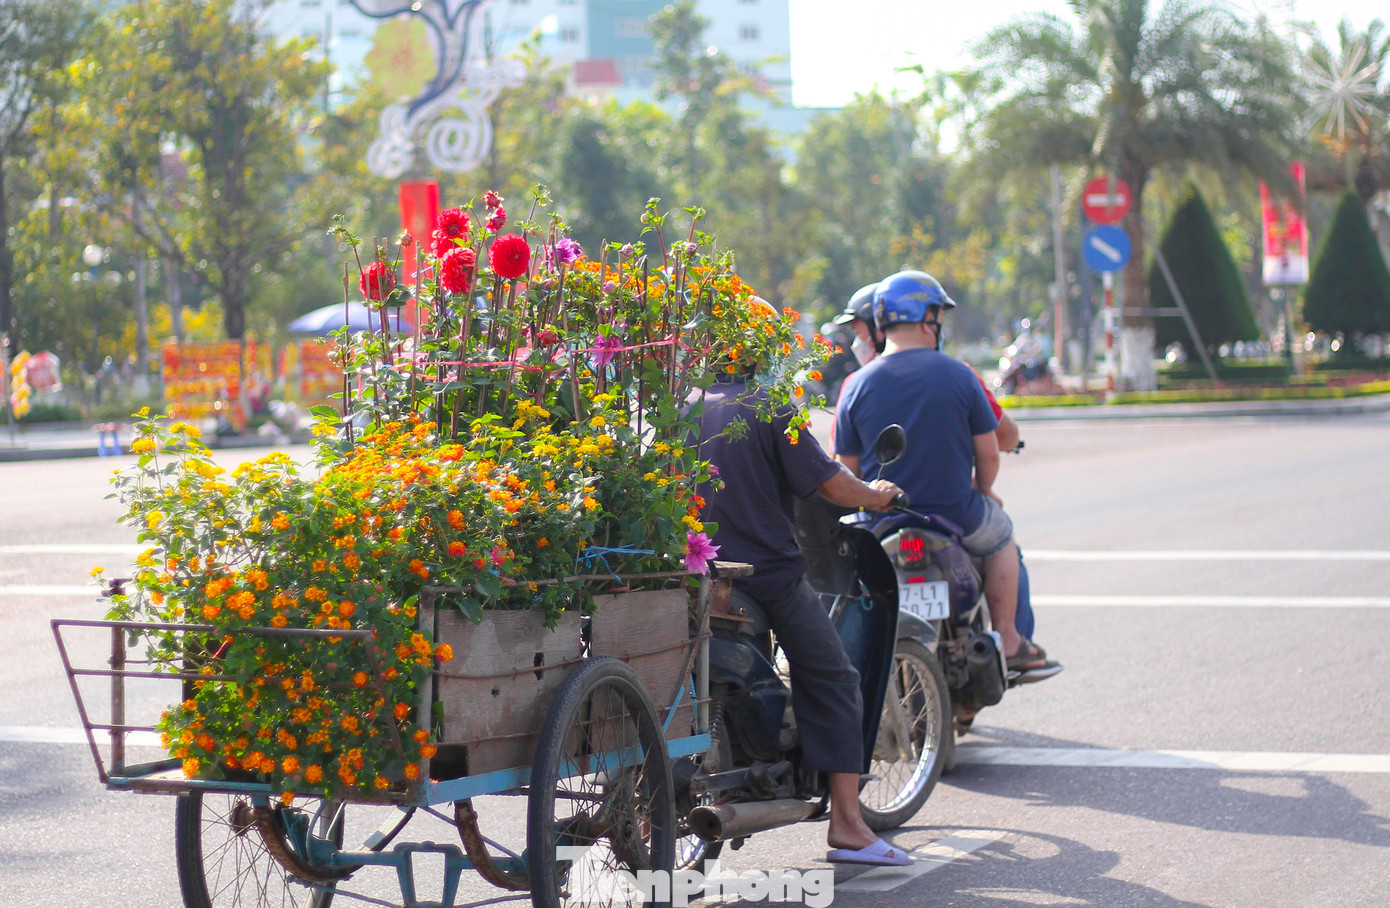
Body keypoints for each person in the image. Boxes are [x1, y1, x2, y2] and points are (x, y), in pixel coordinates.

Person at [693, 322, 914, 868]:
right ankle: (848, 824)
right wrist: (876, 495)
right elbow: (831, 484)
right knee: (835, 678)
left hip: (693, 574)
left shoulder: (679, 407)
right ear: (758, 352)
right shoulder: (767, 405)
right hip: (765, 575)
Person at [832, 270, 1057, 676]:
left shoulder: (855, 385)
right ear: (926, 319)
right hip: (955, 513)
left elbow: (846, 470)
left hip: (880, 521)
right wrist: (984, 490)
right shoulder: (959, 374)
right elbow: (988, 453)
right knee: (1002, 537)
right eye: (937, 315)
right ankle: (1008, 637)